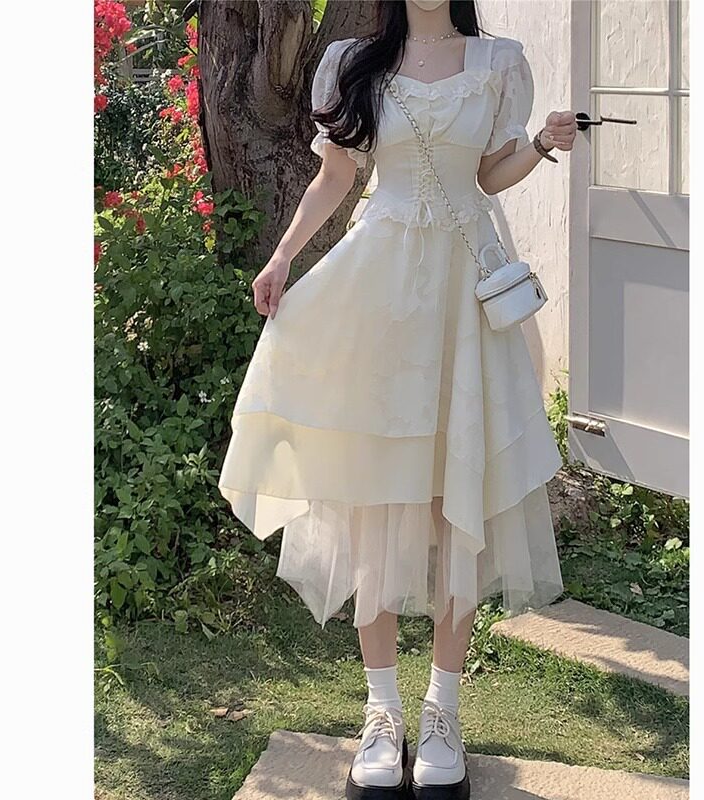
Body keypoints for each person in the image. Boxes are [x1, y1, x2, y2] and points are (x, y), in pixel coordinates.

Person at [219, 1, 576, 798]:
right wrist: (282, 257)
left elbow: (487, 175)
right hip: (377, 291)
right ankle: (381, 712)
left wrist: (541, 146)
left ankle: (443, 711)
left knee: (459, 496)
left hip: (463, 297)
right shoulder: (354, 62)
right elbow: (337, 176)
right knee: (371, 499)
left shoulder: (499, 62)